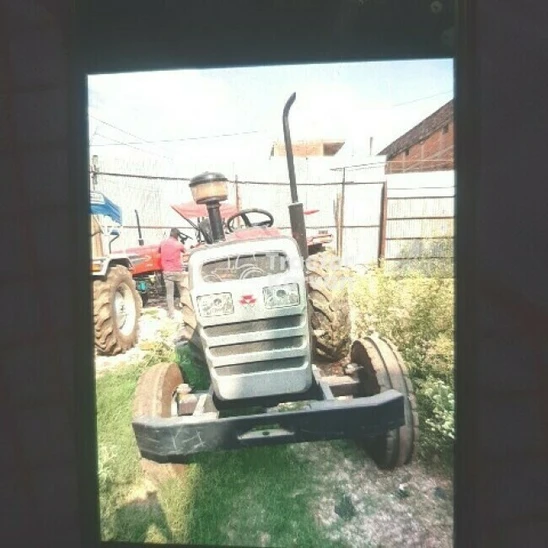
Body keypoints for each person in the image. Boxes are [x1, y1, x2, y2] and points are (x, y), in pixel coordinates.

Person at [159, 228, 186, 319]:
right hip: (177, 271)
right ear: (177, 236)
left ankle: (171, 314)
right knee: (183, 292)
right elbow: (185, 251)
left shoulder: (162, 242)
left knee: (169, 294)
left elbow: (159, 251)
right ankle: (185, 309)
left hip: (167, 272)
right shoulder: (178, 244)